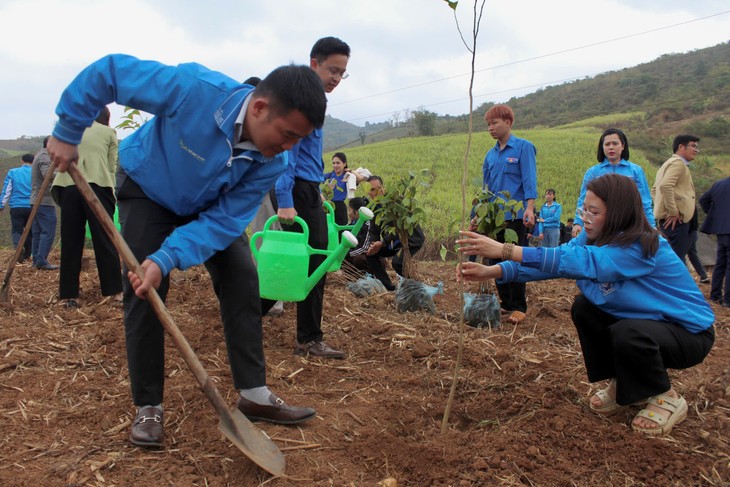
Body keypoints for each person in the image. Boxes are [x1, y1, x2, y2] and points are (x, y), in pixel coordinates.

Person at [47, 54, 327, 447]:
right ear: (260, 108)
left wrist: (168, 257)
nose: (289, 147)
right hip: (149, 185)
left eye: (299, 140)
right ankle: (149, 406)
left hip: (210, 206)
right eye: (287, 134)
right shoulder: (196, 90)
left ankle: (253, 394)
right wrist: (68, 128)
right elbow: (110, 73)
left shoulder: (272, 160)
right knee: (144, 287)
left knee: (243, 277)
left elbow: (224, 222)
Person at [457, 173, 715, 437]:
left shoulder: (641, 246)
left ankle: (665, 396)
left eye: (595, 212)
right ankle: (621, 383)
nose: (585, 218)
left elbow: (582, 262)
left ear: (618, 214)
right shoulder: (592, 238)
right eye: (584, 210)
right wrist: (495, 271)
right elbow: (556, 261)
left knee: (629, 333)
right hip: (644, 324)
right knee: (585, 308)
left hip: (686, 334)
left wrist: (505, 249)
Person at [263, 36, 351, 360]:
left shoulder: (315, 100)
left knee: (306, 260)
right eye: (333, 70)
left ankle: (246, 315)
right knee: (311, 260)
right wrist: (287, 198)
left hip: (306, 188)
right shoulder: (302, 100)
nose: (336, 78)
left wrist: (317, 192)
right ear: (314, 63)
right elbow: (288, 152)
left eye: (342, 73)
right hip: (295, 188)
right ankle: (309, 338)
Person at [52, 107, 122, 308]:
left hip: (68, 186)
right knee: (105, 239)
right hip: (97, 186)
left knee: (71, 241)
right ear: (106, 118)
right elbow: (111, 166)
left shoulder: (70, 130)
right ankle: (115, 292)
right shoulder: (108, 132)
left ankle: (69, 295)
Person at [481, 104, 537, 324]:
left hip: (515, 215)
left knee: (513, 258)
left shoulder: (523, 148)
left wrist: (530, 208)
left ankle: (519, 306)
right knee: (494, 258)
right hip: (494, 218)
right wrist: (479, 214)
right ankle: (505, 303)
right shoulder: (490, 155)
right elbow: (485, 189)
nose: (490, 128)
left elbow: (529, 180)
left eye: (494, 123)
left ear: (508, 122)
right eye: (488, 124)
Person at [573, 128, 655, 238]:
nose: (611, 147)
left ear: (623, 146)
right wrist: (578, 222)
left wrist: (652, 226)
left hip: (629, 228)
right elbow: (584, 201)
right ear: (602, 147)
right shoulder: (593, 172)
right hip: (601, 229)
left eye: (615, 143)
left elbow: (644, 202)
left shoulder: (635, 171)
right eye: (607, 144)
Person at [365, 175, 425, 291]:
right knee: (371, 255)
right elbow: (374, 230)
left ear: (382, 188)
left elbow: (400, 228)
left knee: (398, 262)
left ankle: (414, 288)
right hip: (393, 242)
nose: (373, 192)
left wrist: (382, 242)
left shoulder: (395, 202)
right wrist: (373, 244)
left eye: (376, 188)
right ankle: (389, 287)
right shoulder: (374, 207)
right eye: (371, 190)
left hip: (410, 239)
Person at [651, 134, 700, 262]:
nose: (696, 150)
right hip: (675, 222)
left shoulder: (667, 164)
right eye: (693, 146)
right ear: (681, 147)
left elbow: (655, 190)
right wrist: (672, 212)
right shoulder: (678, 163)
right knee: (675, 260)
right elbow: (665, 186)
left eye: (697, 147)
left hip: (669, 220)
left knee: (672, 257)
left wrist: (662, 208)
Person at [700, 176, 730, 307]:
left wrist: (715, 216)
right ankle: (728, 300)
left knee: (720, 262)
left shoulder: (719, 184)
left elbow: (703, 200)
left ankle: (715, 295)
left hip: (721, 230)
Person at [30, 137, 59, 270]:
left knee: (38, 231)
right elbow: (48, 174)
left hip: (37, 200)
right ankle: (41, 260)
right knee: (48, 231)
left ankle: (36, 259)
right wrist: (63, 171)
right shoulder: (44, 157)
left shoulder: (40, 155)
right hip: (44, 201)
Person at [0, 154, 34, 262]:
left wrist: (1, 206)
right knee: (30, 231)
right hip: (32, 206)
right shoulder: (35, 173)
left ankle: (18, 250)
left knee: (17, 231)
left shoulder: (13, 172)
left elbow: (7, 191)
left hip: (17, 207)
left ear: (22, 161)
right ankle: (27, 255)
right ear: (33, 162)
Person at [343, 197, 372, 272]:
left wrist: (347, 254)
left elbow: (364, 248)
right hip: (354, 252)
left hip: (367, 255)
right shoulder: (351, 225)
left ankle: (368, 275)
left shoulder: (368, 225)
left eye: (349, 210)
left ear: (357, 212)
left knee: (359, 259)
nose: (348, 213)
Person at [323, 152, 351, 225]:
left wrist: (351, 171)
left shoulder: (347, 176)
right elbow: (316, 180)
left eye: (338, 163)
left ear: (344, 164)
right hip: (328, 206)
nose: (335, 165)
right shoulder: (330, 175)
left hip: (340, 208)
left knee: (340, 232)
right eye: (333, 163)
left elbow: (362, 177)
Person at [686, 210, 710, 284]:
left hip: (688, 231)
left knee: (681, 255)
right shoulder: (691, 203)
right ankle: (704, 276)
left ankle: (686, 277)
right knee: (693, 255)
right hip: (692, 231)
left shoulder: (686, 204)